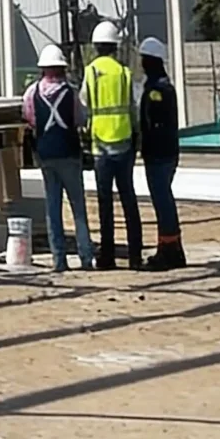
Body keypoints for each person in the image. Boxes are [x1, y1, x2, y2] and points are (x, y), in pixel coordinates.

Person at [24, 40, 94, 272]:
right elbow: (81, 119)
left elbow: (30, 119)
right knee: (78, 208)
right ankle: (86, 257)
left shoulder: (32, 92)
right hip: (70, 154)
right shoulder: (71, 92)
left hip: (46, 155)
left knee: (53, 208)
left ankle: (59, 259)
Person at [83, 20, 142, 271]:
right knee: (129, 200)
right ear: (115, 47)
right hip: (124, 144)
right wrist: (136, 137)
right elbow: (132, 108)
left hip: (101, 147)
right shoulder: (124, 73)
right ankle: (135, 256)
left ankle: (107, 256)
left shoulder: (91, 72)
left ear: (96, 46)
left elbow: (84, 105)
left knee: (105, 203)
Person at [138, 36, 185, 270]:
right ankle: (170, 248)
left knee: (162, 200)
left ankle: (169, 250)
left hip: (159, 153)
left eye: (144, 59)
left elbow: (154, 123)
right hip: (166, 152)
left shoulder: (157, 89)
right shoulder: (163, 86)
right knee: (163, 199)